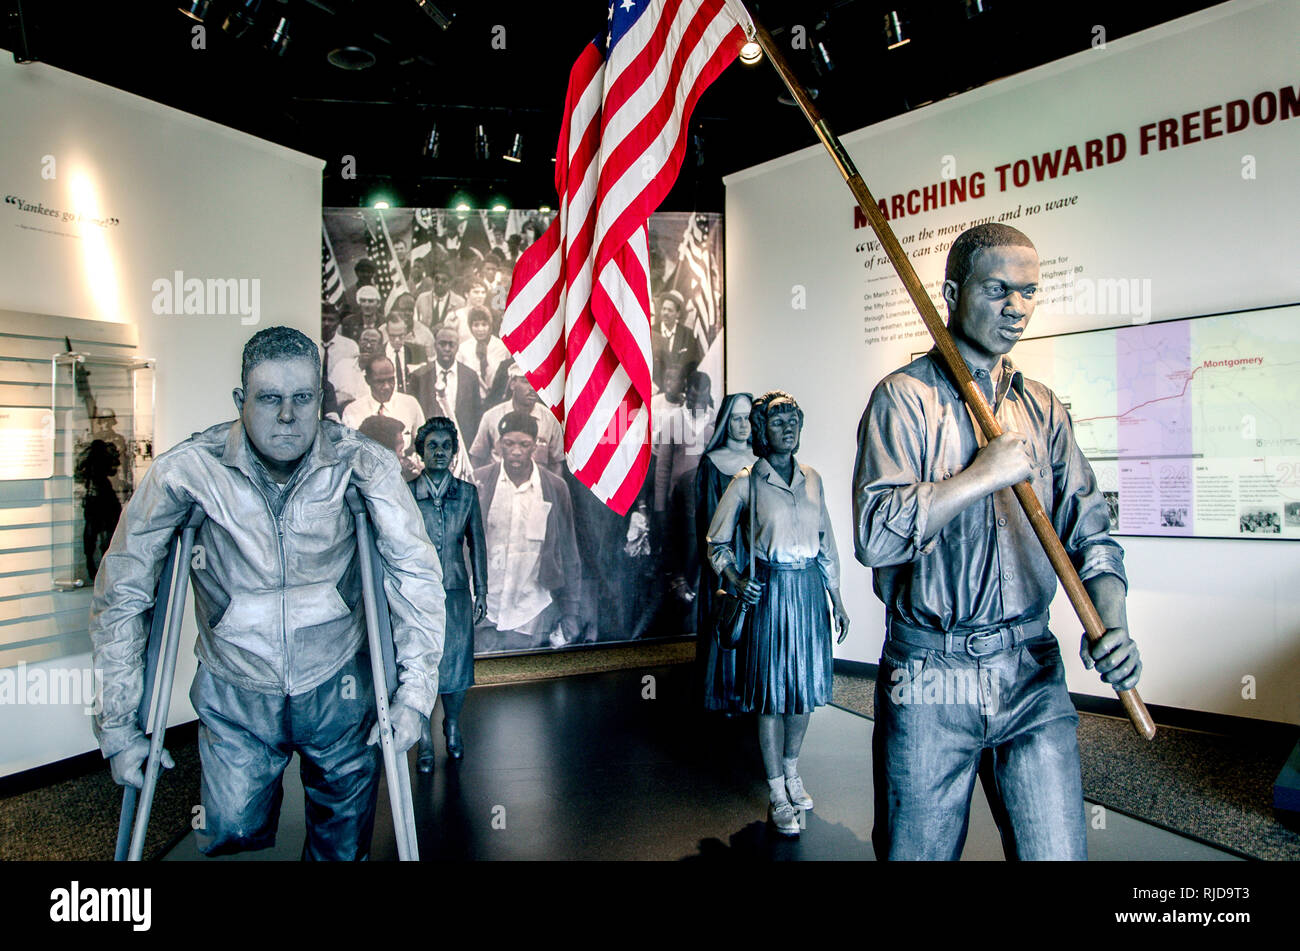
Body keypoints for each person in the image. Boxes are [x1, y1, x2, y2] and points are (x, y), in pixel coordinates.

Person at [89, 326, 445, 860]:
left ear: (320, 399)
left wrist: (415, 695)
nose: (287, 416)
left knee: (343, 846)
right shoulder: (188, 471)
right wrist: (118, 726)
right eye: (270, 399)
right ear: (241, 401)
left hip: (339, 682)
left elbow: (414, 572)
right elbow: (124, 590)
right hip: (236, 685)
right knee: (231, 830)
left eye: (302, 398)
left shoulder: (360, 462)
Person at [852, 222, 1141, 861]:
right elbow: (875, 537)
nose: (1017, 308)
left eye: (1030, 292)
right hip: (929, 673)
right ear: (953, 292)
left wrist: (1113, 622)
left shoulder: (1042, 408)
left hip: (1032, 668)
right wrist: (978, 477)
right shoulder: (903, 400)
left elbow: (1090, 530)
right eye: (998, 289)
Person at [707, 391, 849, 837]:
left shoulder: (814, 479)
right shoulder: (747, 481)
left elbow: (826, 541)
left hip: (807, 590)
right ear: (763, 432)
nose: (788, 427)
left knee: (802, 690)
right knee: (770, 695)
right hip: (768, 592)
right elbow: (717, 542)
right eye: (777, 421)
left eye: (793, 420)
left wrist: (837, 597)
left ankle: (792, 772)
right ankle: (774, 789)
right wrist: (733, 576)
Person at [409, 417, 487, 771]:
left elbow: (478, 547)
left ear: (455, 453)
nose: (439, 452)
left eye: (446, 446)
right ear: (421, 452)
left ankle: (452, 725)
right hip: (416, 595)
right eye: (432, 446)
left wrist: (481, 590)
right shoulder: (407, 493)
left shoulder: (467, 493)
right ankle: (423, 739)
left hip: (455, 592)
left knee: (456, 663)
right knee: (418, 665)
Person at [474, 411, 582, 652]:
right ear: (498, 444)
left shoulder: (555, 488)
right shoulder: (480, 483)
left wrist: (571, 613)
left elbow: (568, 551)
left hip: (532, 609)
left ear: (535, 446)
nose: (516, 451)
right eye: (509, 443)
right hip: (485, 608)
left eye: (524, 444)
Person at [694, 392, 755, 712]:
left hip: (759, 562)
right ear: (725, 421)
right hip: (726, 563)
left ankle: (753, 694)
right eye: (736, 418)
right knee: (726, 621)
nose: (743, 425)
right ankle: (722, 697)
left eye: (748, 417)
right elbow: (706, 521)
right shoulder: (712, 463)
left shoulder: (764, 463)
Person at [469, 364, 564, 473]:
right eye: (526, 381)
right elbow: (477, 459)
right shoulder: (491, 417)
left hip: (537, 486)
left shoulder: (550, 419)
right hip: (499, 484)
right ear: (512, 384)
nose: (533, 388)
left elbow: (556, 464)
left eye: (538, 381)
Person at [410, 324, 484, 450]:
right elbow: (413, 414)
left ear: (458, 346)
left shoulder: (470, 376)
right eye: (442, 344)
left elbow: (476, 414)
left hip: (462, 444)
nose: (447, 348)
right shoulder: (420, 376)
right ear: (435, 345)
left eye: (451, 344)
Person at [342, 356, 426, 451]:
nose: (387, 386)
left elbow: (423, 442)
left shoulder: (410, 404)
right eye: (380, 381)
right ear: (367, 380)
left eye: (391, 380)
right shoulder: (352, 411)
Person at [457, 305, 512, 404]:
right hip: (471, 400)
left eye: (484, 324)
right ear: (470, 327)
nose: (480, 329)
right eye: (476, 325)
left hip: (496, 399)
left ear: (490, 325)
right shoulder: (463, 349)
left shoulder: (502, 347)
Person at [650, 291, 701, 390]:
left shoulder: (688, 335)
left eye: (670, 310)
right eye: (664, 309)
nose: (665, 313)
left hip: (679, 392)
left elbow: (693, 365)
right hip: (653, 392)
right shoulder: (651, 332)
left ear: (678, 314)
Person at [381, 310, 427, 395]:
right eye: (392, 336)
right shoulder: (379, 354)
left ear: (405, 330)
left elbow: (424, 381)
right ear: (387, 331)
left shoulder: (418, 351)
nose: (397, 340)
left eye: (401, 335)